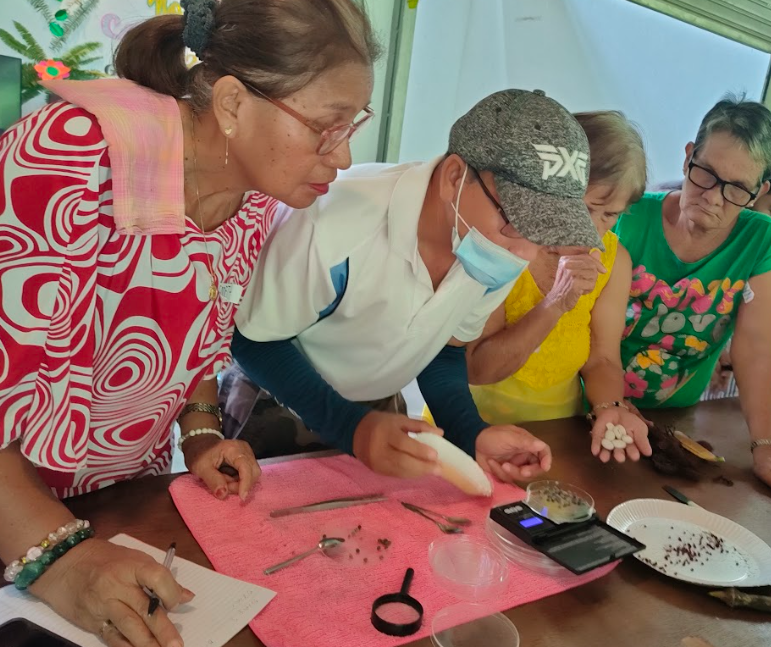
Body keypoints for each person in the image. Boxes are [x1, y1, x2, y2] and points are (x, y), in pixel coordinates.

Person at [0, 0, 379, 647]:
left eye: (353, 126)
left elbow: (197, 327)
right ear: (232, 103)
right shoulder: (72, 157)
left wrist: (200, 429)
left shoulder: (255, 197)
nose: (343, 157)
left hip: (117, 502)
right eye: (326, 126)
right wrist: (56, 556)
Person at [224, 89, 602, 484]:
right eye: (513, 220)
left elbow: (443, 348)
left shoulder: (492, 249)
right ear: (455, 178)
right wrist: (350, 426)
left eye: (542, 234)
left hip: (375, 406)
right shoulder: (337, 222)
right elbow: (255, 340)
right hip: (279, 398)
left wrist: (470, 433)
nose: (522, 251)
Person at [614, 96, 771, 514]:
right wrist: (609, 404)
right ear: (688, 158)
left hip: (672, 422)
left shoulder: (760, 241)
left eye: (738, 188)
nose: (714, 198)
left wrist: (766, 447)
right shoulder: (628, 218)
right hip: (588, 409)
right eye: (705, 174)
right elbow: (589, 333)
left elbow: (756, 347)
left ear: (760, 191)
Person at [464, 111, 653, 464]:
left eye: (610, 216)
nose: (593, 232)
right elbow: (479, 369)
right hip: (472, 431)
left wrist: (609, 407)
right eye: (586, 209)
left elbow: (603, 359)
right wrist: (555, 303)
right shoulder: (508, 239)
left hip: (557, 440)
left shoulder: (614, 260)